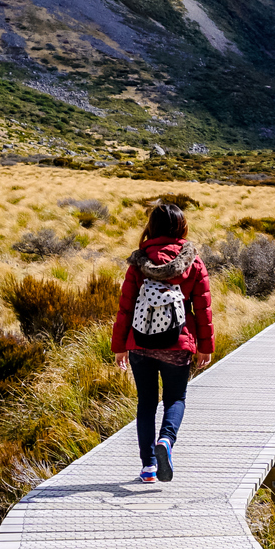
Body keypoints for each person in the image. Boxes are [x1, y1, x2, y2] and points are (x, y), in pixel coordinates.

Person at [111, 203, 214, 482]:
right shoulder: (194, 262)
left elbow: (126, 307)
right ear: (181, 227)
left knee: (146, 403)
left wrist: (120, 345)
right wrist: (205, 346)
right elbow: (203, 309)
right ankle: (166, 442)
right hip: (178, 345)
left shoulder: (138, 262)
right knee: (175, 398)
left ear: (152, 228)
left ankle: (147, 468)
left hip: (139, 344)